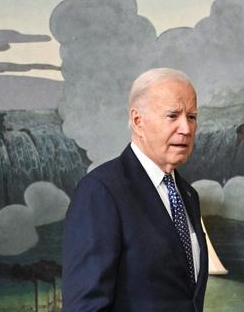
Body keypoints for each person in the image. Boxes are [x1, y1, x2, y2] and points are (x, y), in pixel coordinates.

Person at [62, 68, 208, 312]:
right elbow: (84, 306)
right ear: (138, 121)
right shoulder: (100, 191)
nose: (186, 128)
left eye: (191, 117)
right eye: (173, 116)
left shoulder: (188, 195)